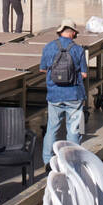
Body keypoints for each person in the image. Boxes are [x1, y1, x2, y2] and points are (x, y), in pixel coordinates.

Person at [40, 18, 89, 165]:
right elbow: (85, 74)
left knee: (52, 128)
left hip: (54, 95)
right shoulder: (78, 50)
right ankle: (73, 160)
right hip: (74, 95)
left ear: (60, 32)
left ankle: (48, 161)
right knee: (74, 129)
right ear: (73, 33)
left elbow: (42, 69)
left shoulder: (48, 47)